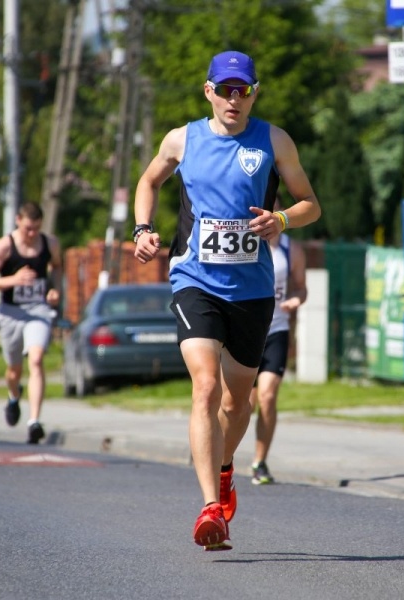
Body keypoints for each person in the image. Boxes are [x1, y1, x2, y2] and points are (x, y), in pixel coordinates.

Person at [133, 50, 321, 551]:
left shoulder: (275, 141)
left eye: (244, 90)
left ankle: (223, 468)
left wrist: (282, 220)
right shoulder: (182, 139)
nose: (234, 99)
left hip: (253, 290)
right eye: (225, 90)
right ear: (209, 91)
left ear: (254, 93)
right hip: (194, 278)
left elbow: (310, 204)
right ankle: (209, 508)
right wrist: (143, 229)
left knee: (239, 402)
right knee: (206, 387)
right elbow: (148, 181)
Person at [0, 201, 62, 445]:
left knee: (36, 359)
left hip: (38, 311)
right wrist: (13, 280)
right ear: (18, 221)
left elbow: (57, 267)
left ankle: (34, 421)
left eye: (36, 228)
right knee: (14, 371)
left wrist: (55, 289)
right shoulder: (4, 246)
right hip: (10, 314)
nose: (32, 234)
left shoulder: (50, 243)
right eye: (27, 229)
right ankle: (14, 395)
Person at [248, 221, 307, 485]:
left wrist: (296, 299)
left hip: (276, 330)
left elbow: (301, 287)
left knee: (268, 396)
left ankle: (259, 462)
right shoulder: (242, 241)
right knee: (240, 404)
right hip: (246, 332)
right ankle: (221, 455)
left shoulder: (291, 249)